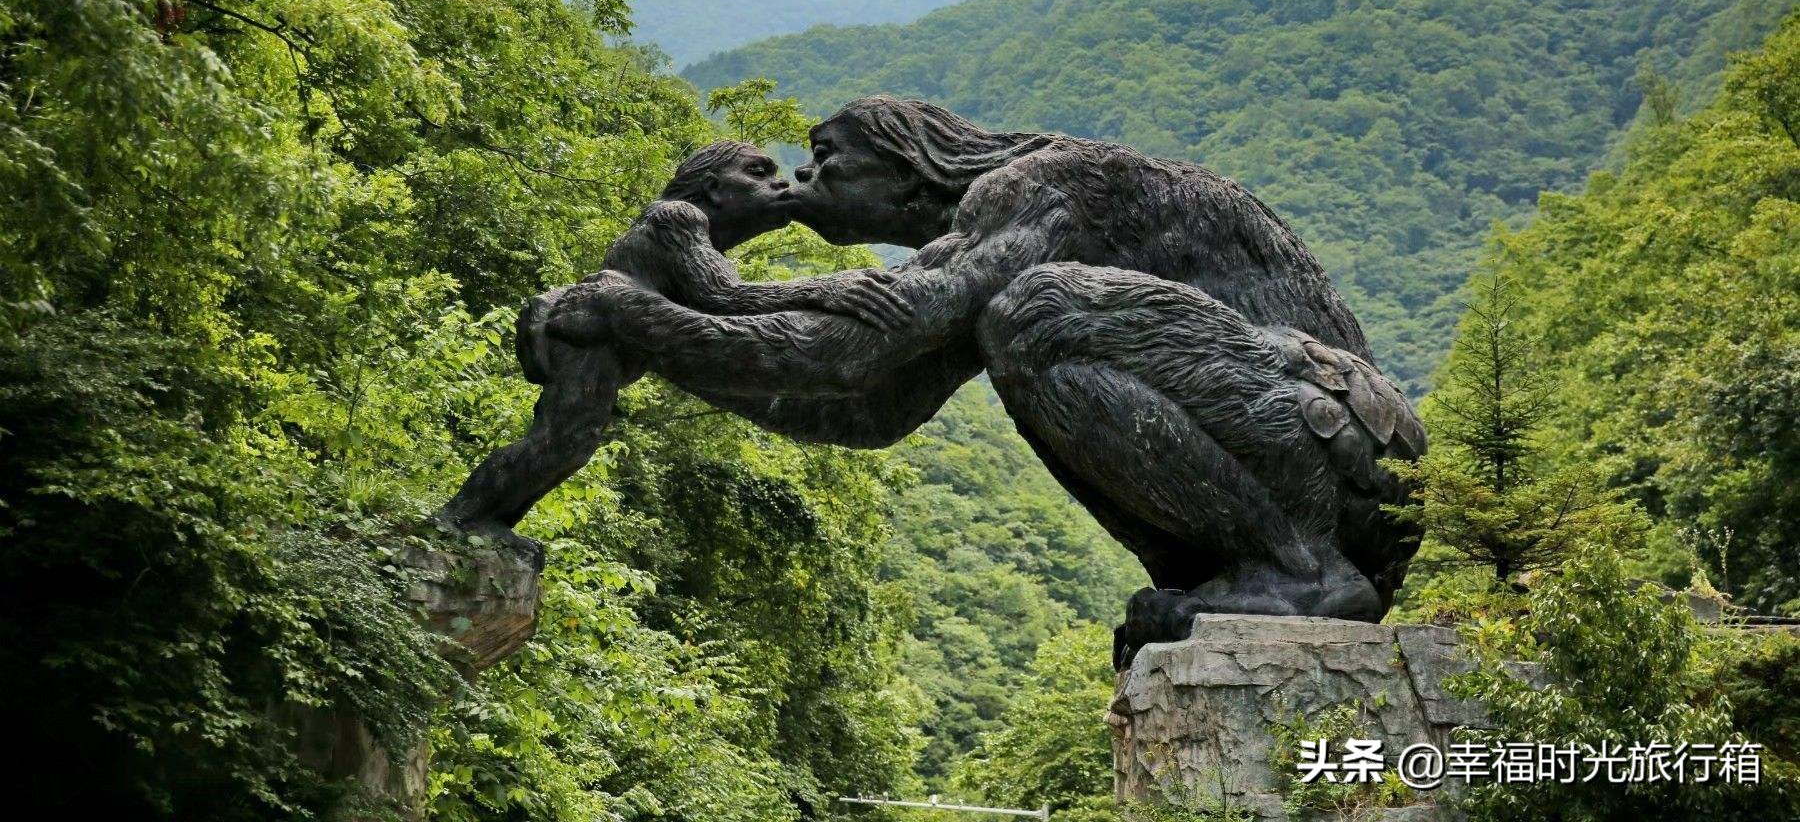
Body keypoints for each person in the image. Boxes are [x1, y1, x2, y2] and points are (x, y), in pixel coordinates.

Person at [533, 98, 1424, 665]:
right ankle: (1261, 567)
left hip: (1335, 448)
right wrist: (656, 348)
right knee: (1022, 330)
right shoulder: (968, 247)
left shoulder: (1042, 188)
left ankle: (1299, 572)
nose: (807, 182)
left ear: (906, 164)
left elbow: (865, 344)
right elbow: (867, 403)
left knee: (1035, 315)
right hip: (1305, 458)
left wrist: (642, 316)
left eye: (823, 157)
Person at [436, 139, 908, 549]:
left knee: (571, 442)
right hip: (590, 331)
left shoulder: (700, 241)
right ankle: (459, 521)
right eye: (758, 172)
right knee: (564, 439)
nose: (778, 184)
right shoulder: (677, 216)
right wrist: (824, 288)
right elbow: (722, 299)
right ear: (715, 189)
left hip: (602, 339)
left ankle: (483, 522)